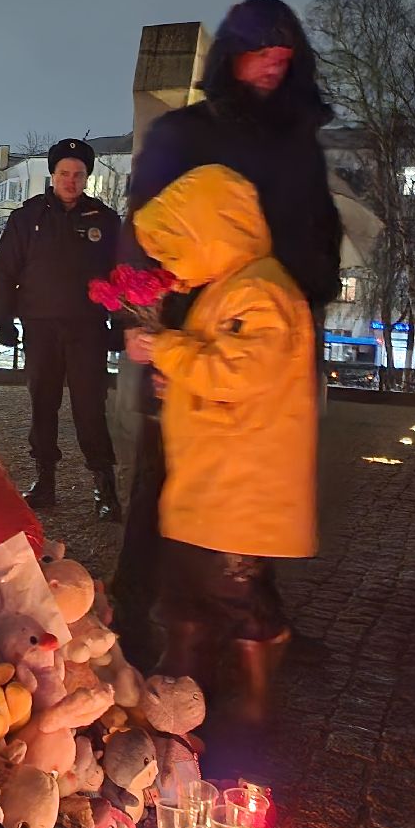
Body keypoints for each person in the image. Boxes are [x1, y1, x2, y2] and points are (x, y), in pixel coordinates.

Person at [110, 0, 342, 668]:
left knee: (258, 479)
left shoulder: (297, 137)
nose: (275, 63)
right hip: (193, 323)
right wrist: (147, 309)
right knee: (172, 473)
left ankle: (251, 616)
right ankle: (146, 610)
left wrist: (308, 290)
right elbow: (149, 227)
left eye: (285, 53)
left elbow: (318, 227)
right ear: (232, 55)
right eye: (262, 49)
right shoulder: (188, 133)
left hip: (276, 325)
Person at [123, 163, 317, 728]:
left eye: (177, 245)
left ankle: (253, 691)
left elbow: (237, 373)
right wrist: (178, 375)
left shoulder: (260, 292)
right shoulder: (227, 291)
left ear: (211, 231)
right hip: (209, 481)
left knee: (233, 592)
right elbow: (211, 366)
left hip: (241, 484)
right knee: (187, 586)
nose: (168, 264)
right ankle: (186, 681)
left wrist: (168, 351)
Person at [0, 138, 122, 518]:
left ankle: (104, 487)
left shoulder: (104, 219)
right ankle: (44, 481)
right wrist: (3, 319)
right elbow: (5, 271)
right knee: (43, 406)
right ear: (53, 175)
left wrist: (120, 323)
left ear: (86, 178)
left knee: (89, 408)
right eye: (64, 173)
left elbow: (122, 275)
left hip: (88, 330)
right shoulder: (27, 217)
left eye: (78, 174)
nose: (71, 180)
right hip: (41, 327)